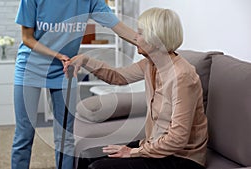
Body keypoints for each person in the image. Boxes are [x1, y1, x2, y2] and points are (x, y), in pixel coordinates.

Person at [65, 7, 208, 169]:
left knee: (99, 167)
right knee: (87, 156)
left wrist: (133, 152)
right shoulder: (151, 64)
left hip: (182, 158)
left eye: (140, 33)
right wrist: (85, 60)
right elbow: (118, 76)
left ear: (155, 39)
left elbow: (178, 139)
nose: (135, 38)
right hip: (154, 146)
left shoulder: (182, 76)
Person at [11, 0, 137, 169]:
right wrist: (56, 55)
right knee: (24, 134)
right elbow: (27, 38)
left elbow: (117, 25)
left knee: (65, 136)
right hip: (30, 67)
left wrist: (144, 43)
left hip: (64, 69)